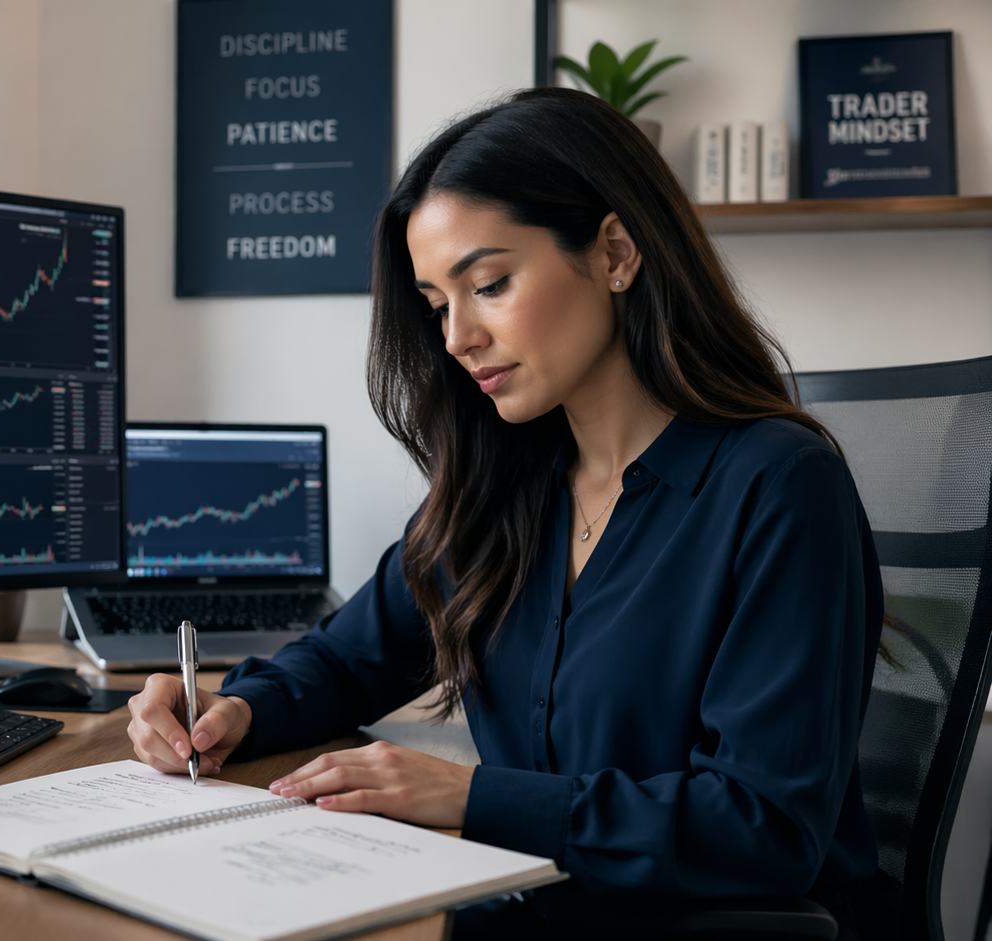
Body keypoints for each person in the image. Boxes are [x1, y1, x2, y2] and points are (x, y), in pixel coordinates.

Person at [125, 88, 888, 939]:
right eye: (438, 304)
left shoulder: (780, 485)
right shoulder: (506, 485)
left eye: (488, 284)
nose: (457, 337)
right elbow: (349, 661)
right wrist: (239, 709)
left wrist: (469, 795)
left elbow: (764, 827)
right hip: (537, 908)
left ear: (616, 252)